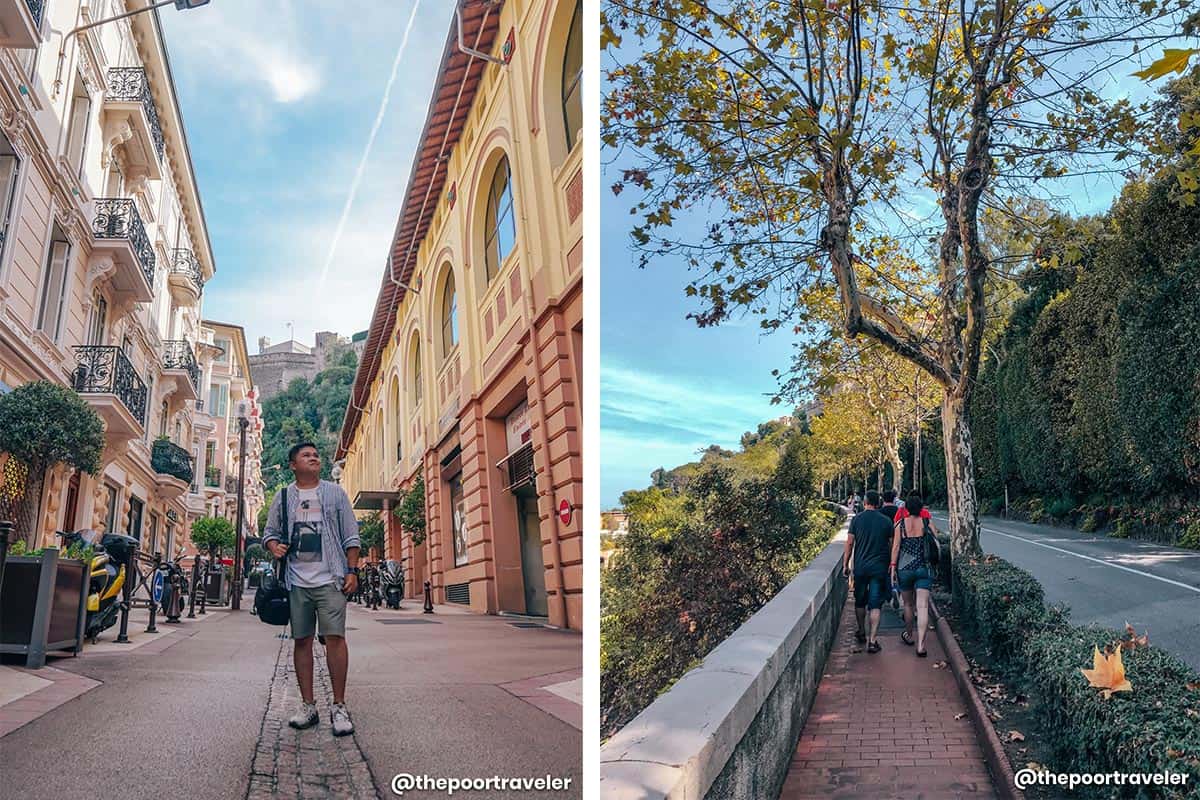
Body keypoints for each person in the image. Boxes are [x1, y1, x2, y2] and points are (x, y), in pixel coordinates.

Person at [262, 442, 361, 736]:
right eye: (306, 455)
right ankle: (308, 706)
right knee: (302, 641)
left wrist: (352, 571)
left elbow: (351, 535)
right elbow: (269, 533)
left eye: (316, 454)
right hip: (296, 581)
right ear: (293, 464)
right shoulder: (283, 497)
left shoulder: (335, 493)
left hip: (330, 578)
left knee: (335, 638)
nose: (314, 457)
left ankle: (339, 706)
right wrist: (273, 547)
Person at [842, 490, 892, 653]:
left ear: (864, 503)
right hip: (879, 568)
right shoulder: (885, 521)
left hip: (861, 567)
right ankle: (872, 640)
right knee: (875, 603)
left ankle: (861, 631)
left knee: (860, 600)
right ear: (878, 503)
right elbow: (892, 545)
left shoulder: (857, 520)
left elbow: (849, 543)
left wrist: (846, 564)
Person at [890, 493, 936, 657]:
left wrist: (893, 568)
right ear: (921, 508)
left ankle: (909, 635)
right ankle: (921, 646)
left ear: (907, 508)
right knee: (922, 606)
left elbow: (895, 548)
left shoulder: (899, 525)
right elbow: (934, 540)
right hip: (923, 567)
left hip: (905, 568)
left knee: (908, 605)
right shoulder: (926, 522)